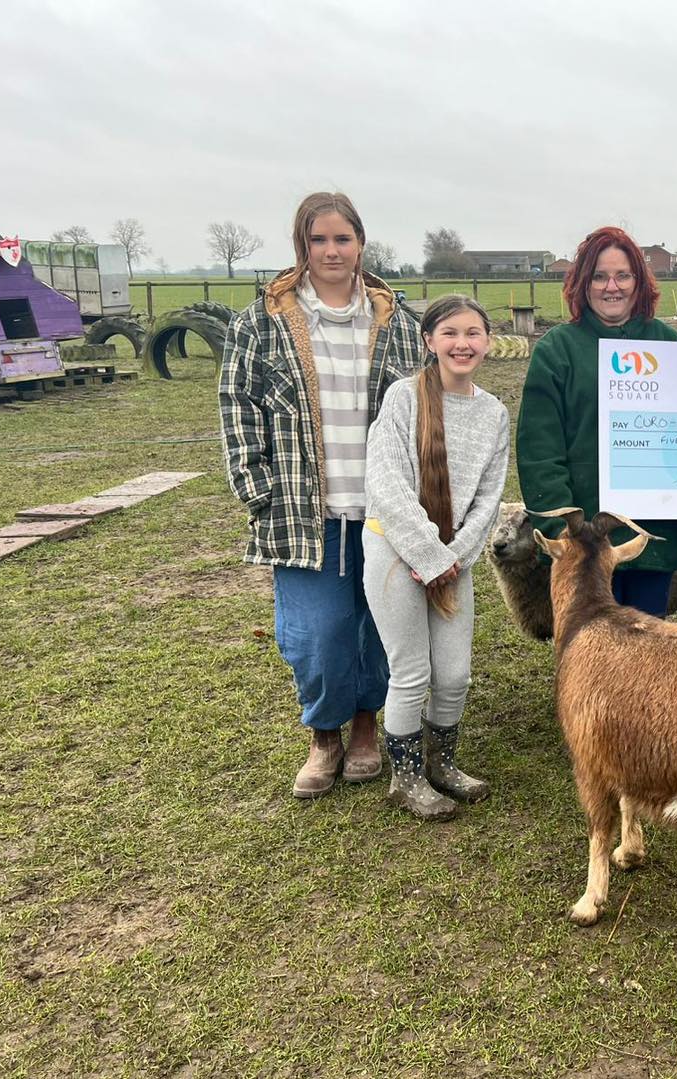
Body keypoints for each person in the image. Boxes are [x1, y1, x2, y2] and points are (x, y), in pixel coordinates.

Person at [219, 192, 422, 798]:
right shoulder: (263, 322)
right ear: (301, 247)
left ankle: (365, 726)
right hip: (304, 510)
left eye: (343, 238)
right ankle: (324, 733)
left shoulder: (397, 324)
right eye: (319, 240)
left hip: (385, 508)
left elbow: (424, 408)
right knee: (317, 631)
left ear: (361, 243)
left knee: (379, 624)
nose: (332, 251)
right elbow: (238, 403)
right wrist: (258, 489)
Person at [363, 295, 510, 820]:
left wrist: (455, 556)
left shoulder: (494, 414)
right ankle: (405, 777)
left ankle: (442, 763)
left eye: (473, 333)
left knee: (453, 675)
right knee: (411, 671)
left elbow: (489, 496)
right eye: (450, 333)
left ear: (488, 342)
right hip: (395, 548)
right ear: (430, 341)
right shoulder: (403, 399)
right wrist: (426, 552)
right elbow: (386, 482)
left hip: (453, 558)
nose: (462, 343)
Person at [517, 226, 677, 615]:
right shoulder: (556, 351)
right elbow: (539, 452)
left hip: (652, 538)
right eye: (599, 276)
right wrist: (562, 532)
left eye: (623, 275)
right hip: (583, 548)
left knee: (647, 659)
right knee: (590, 658)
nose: (611, 287)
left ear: (638, 282)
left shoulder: (667, 344)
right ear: (583, 283)